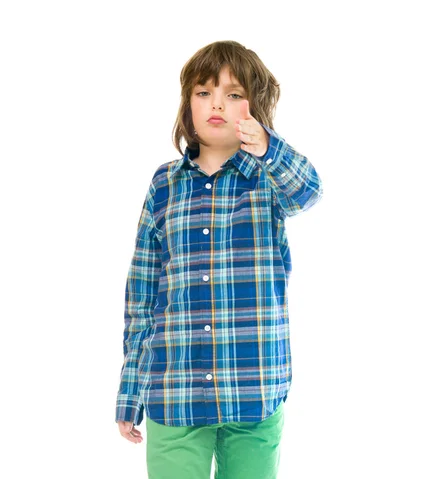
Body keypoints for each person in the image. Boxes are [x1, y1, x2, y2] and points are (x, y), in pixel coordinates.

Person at [114, 40, 323, 478]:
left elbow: (310, 191)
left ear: (255, 105)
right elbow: (142, 295)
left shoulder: (270, 179)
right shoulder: (164, 185)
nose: (217, 104)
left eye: (233, 94)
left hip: (255, 388)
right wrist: (130, 390)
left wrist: (269, 147)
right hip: (176, 391)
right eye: (203, 92)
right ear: (187, 104)